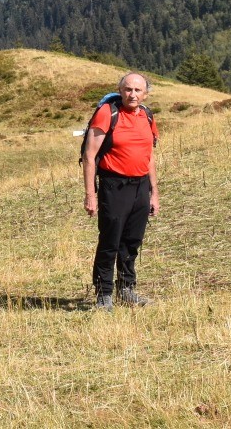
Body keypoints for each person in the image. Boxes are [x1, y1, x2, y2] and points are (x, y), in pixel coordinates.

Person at [82, 71, 159, 310]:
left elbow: (149, 156)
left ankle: (126, 289)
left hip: (140, 186)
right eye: (128, 89)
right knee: (110, 240)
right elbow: (89, 155)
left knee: (132, 240)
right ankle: (103, 293)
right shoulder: (108, 113)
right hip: (114, 185)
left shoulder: (147, 116)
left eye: (137, 90)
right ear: (120, 91)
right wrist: (90, 195)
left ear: (145, 94)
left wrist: (154, 193)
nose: (132, 94)